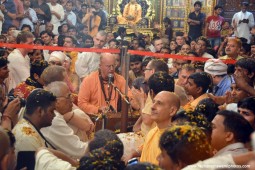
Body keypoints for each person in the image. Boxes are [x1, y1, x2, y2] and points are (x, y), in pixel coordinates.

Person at [41, 81, 91, 159]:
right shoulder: (53, 119)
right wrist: (103, 141)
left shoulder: (54, 113)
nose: (72, 99)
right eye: (68, 96)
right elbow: (80, 150)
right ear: (57, 101)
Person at [138, 92, 180, 165]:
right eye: (153, 102)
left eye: (159, 103)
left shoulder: (175, 139)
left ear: (172, 111)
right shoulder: (151, 133)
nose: (152, 107)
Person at [12, 89, 57, 153]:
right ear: (40, 111)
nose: (54, 115)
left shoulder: (28, 128)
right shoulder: (27, 138)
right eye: (51, 111)